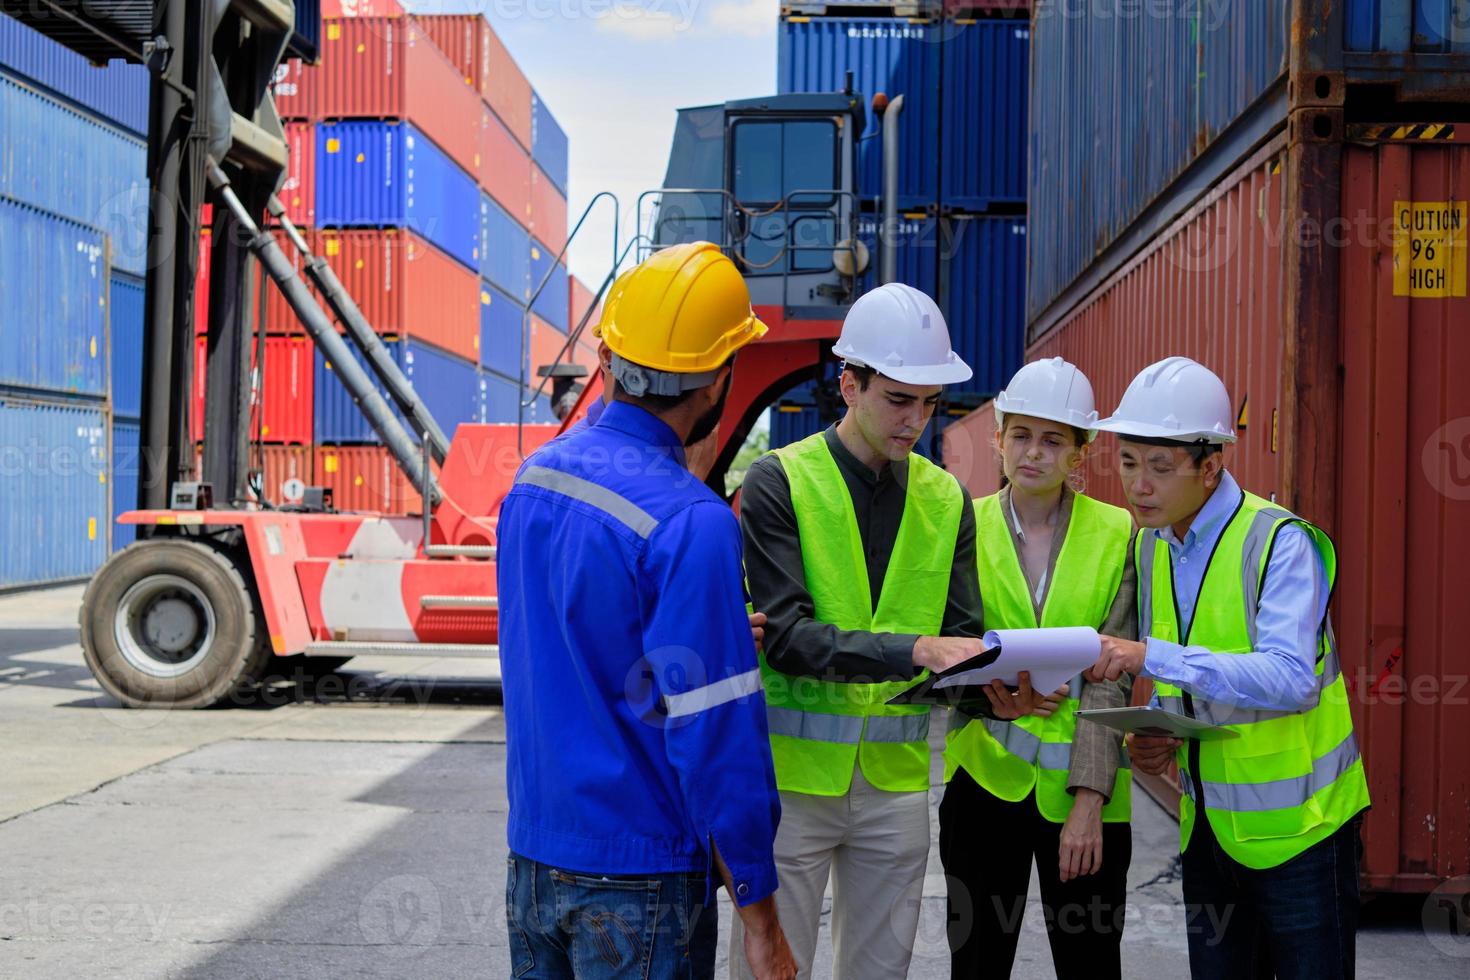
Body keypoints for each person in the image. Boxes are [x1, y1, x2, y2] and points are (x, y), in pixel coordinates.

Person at [735, 283, 1062, 979]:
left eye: (929, 403)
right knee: (771, 972)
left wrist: (995, 694)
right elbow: (788, 638)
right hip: (791, 785)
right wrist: (916, 649)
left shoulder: (946, 500)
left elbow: (960, 644)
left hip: (896, 788)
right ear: (849, 384)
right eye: (898, 399)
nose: (915, 419)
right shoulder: (777, 482)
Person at [497, 242, 797, 979]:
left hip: (535, 862)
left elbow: (570, 648)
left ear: (608, 355)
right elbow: (715, 733)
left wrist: (709, 634)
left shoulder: (533, 482)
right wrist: (759, 915)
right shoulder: (691, 521)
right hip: (641, 881)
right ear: (720, 377)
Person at [1087, 356, 1370, 980]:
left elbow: (1292, 680)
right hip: (1209, 830)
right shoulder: (1152, 544)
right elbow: (1192, 674)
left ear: (1210, 466)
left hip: (1303, 833)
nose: (1139, 486)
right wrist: (1159, 730)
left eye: (1160, 469)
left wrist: (1149, 657)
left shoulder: (1279, 543)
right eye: (1129, 464)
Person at [939, 357, 1136, 979]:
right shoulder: (961, 525)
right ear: (997, 439)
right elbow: (944, 642)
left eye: (1054, 440)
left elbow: (1116, 677)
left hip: (1085, 795)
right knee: (976, 964)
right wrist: (986, 689)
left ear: (1081, 452)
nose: (1033, 453)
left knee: (1090, 965)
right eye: (1020, 435)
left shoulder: (1118, 533)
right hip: (984, 784)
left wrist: (1088, 801)